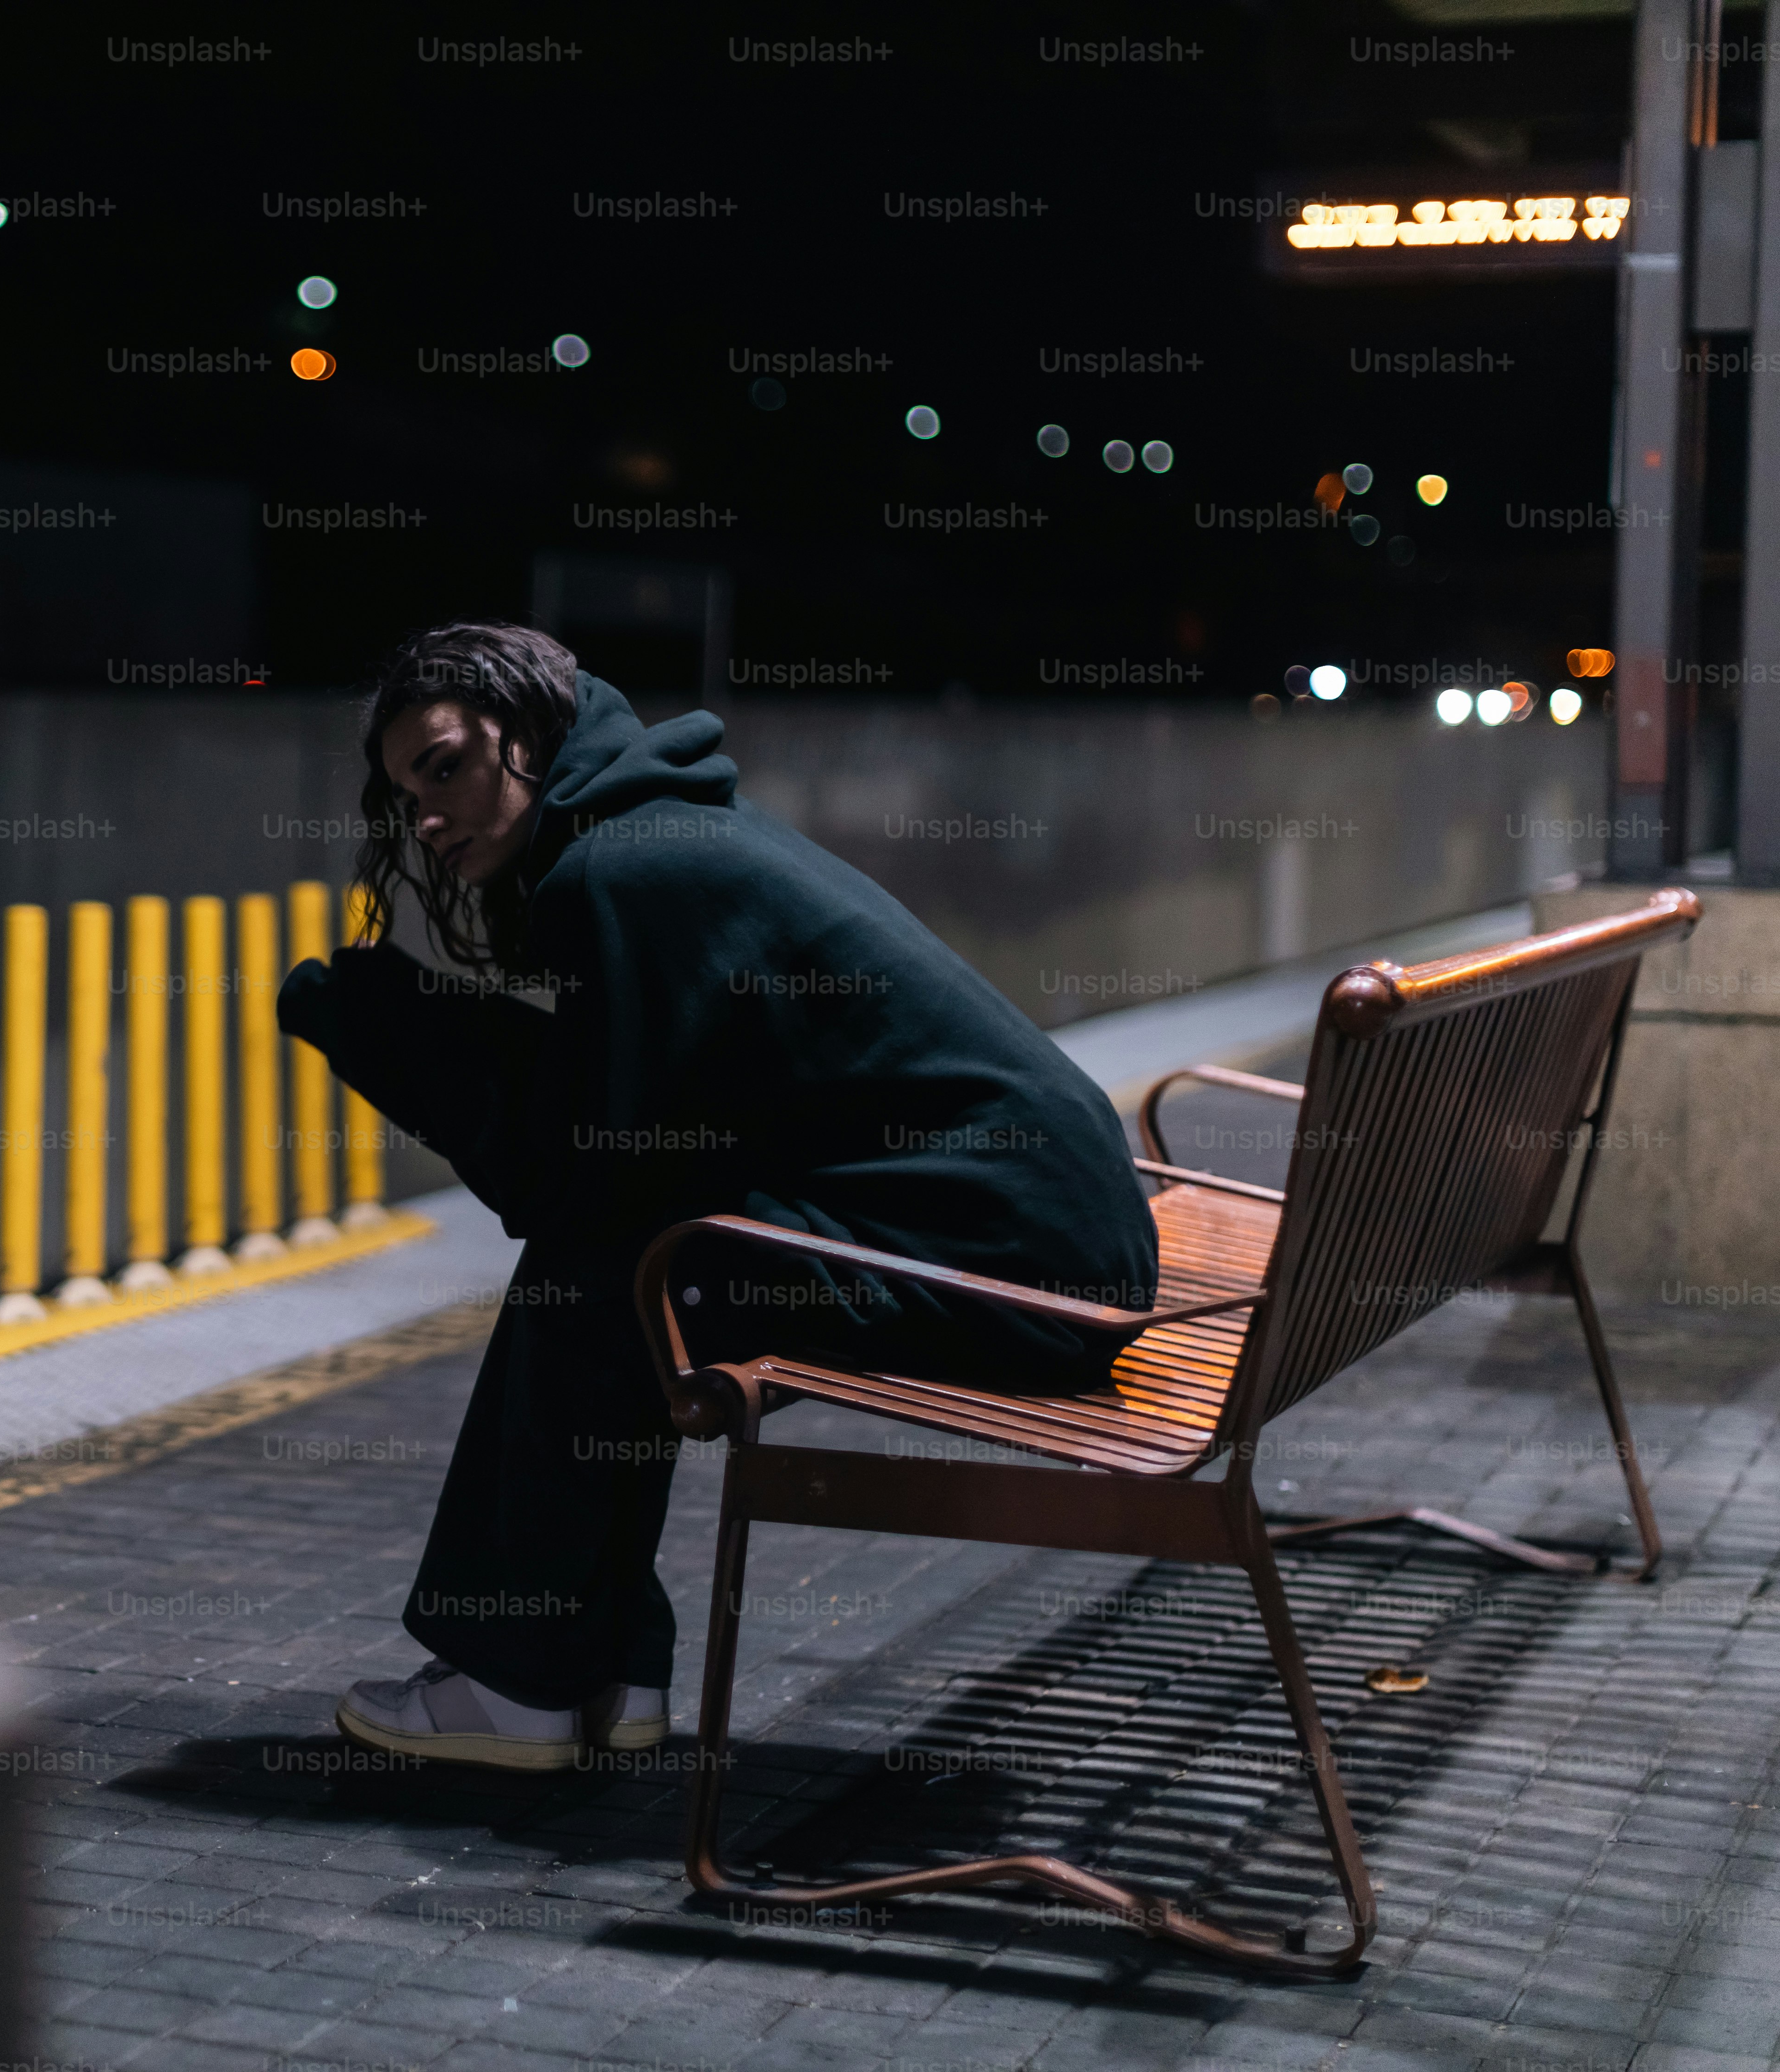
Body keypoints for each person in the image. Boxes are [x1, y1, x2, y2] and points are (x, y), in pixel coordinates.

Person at [277, 623, 1159, 1771]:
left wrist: (395, 1039)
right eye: (406, 793)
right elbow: (642, 1150)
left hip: (1023, 1275)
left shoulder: (626, 869)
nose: (426, 817)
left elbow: (579, 1180)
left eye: (445, 766)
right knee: (641, 1258)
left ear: (534, 735)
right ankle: (594, 1667)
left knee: (609, 1268)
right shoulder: (665, 834)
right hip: (1035, 1243)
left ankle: (523, 1677)